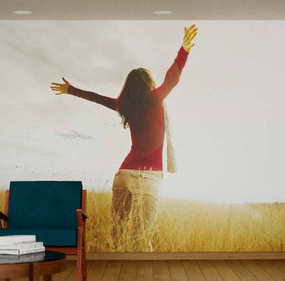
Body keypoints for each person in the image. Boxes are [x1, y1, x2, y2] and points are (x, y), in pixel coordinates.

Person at [51, 25, 198, 250]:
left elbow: (97, 98)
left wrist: (71, 90)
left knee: (116, 234)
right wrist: (184, 50)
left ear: (128, 86)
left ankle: (116, 274)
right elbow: (172, 78)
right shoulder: (155, 99)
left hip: (124, 173)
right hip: (148, 177)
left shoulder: (124, 104)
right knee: (141, 239)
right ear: (149, 84)